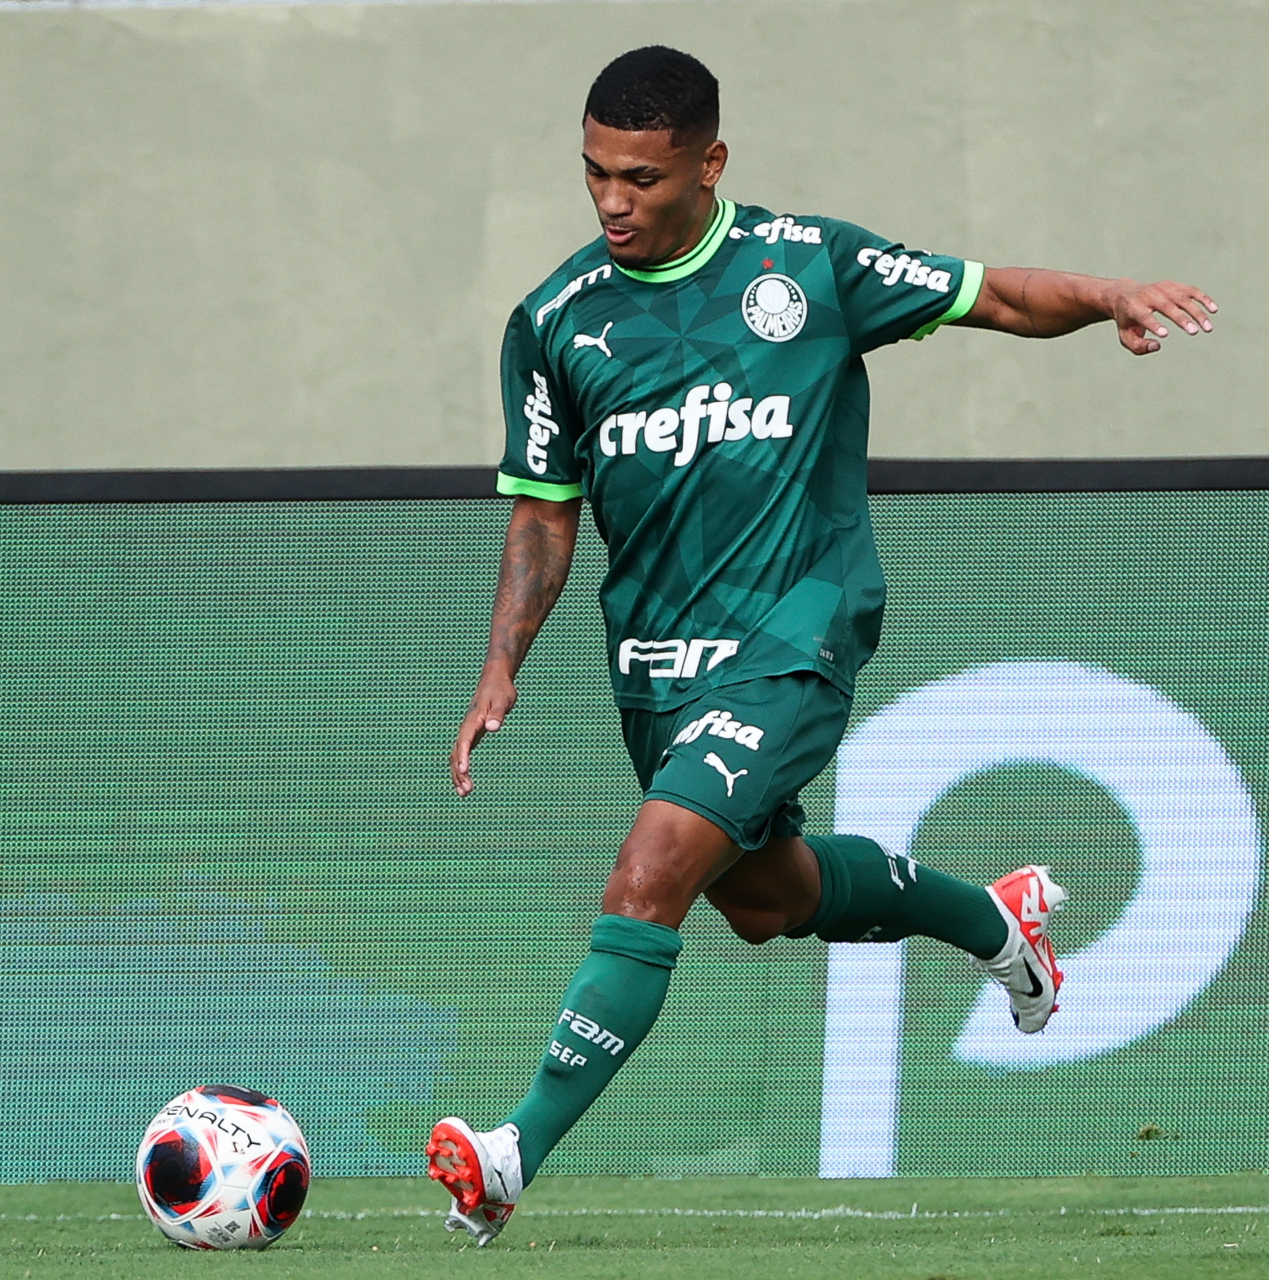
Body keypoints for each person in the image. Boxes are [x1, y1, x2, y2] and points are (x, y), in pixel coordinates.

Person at [427, 45, 1217, 1246]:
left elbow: (996, 294)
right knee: (763, 896)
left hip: (799, 628)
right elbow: (544, 509)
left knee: (650, 872)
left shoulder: (809, 265)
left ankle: (509, 1152)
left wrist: (1108, 294)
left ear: (710, 163)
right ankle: (995, 921)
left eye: (641, 177)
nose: (611, 201)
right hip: (658, 664)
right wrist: (501, 663)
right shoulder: (553, 321)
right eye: (594, 173)